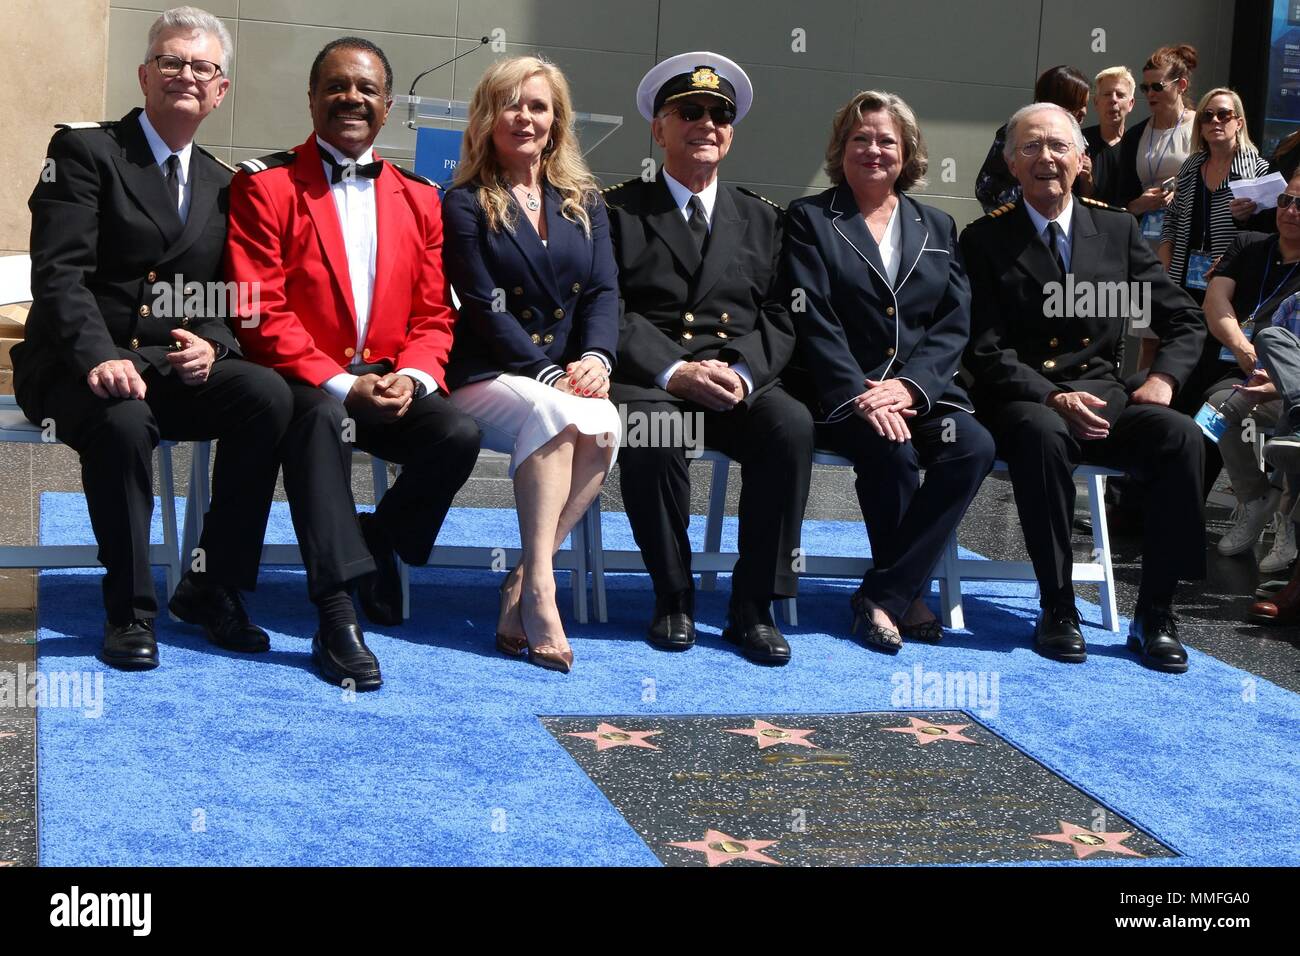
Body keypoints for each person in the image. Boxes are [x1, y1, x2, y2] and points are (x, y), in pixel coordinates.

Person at [12, 7, 292, 671]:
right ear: (145, 75)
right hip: (72, 365)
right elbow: (59, 276)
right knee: (124, 419)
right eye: (171, 62)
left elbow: (227, 292)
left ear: (220, 90)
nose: (185, 75)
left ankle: (210, 585)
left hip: (166, 365)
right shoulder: (86, 154)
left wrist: (214, 344)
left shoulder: (226, 183)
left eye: (203, 66)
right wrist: (99, 356)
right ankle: (129, 612)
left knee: (268, 396)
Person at [226, 37, 482, 690]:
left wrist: (415, 377)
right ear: (312, 98)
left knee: (456, 433)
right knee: (319, 423)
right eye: (337, 86)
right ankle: (337, 613)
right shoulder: (265, 185)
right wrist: (344, 384)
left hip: (389, 378)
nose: (352, 98)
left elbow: (435, 314)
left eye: (367, 89)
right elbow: (260, 312)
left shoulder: (421, 197)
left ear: (388, 106)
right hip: (305, 384)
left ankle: (380, 541)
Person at [961, 103, 1207, 673]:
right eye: (1030, 147)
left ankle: (1156, 614)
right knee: (1044, 435)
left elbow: (1182, 318)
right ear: (1010, 163)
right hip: (1026, 403)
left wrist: (1165, 379)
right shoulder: (986, 239)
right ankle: (1058, 605)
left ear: (1082, 160)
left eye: (1058, 146)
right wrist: (1051, 395)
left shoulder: (1116, 229)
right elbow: (983, 347)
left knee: (1182, 438)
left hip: (1108, 402)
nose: (1046, 158)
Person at [604, 52, 815, 665]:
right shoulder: (618, 210)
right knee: (655, 428)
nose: (706, 124)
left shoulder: (764, 218)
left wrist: (744, 371)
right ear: (658, 128)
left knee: (790, 425)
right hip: (657, 376)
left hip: (735, 379)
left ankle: (754, 604)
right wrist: (675, 369)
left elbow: (782, 312)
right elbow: (608, 307)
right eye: (688, 111)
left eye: (719, 115)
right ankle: (673, 594)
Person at [781, 90, 995, 653]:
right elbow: (812, 314)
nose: (873, 149)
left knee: (971, 446)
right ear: (840, 149)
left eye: (886, 140)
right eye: (860, 139)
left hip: (918, 393)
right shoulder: (809, 219)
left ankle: (885, 592)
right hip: (839, 395)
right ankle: (905, 596)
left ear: (907, 153)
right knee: (892, 453)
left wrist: (910, 387)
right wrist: (861, 393)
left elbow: (954, 320)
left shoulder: (939, 226)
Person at [441, 57, 620, 674]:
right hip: (485, 372)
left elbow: (602, 291)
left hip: (561, 374)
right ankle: (543, 593)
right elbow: (483, 306)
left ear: (556, 121)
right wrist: (546, 371)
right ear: (488, 117)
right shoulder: (464, 202)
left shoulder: (584, 201)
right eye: (510, 104)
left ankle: (523, 578)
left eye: (538, 106)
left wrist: (596, 357)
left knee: (603, 423)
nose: (525, 117)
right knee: (557, 410)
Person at [1199, 171, 1300, 560]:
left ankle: (1281, 514)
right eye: (1284, 201)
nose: (1290, 210)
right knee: (1218, 406)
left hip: (1289, 385)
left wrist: (1276, 384)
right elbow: (1215, 301)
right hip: (1240, 365)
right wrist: (1244, 348)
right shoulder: (1248, 243)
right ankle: (1255, 499)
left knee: (1235, 405)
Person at [975, 66, 1091, 213]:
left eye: (1058, 145)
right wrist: (1025, 215)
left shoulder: (1080, 139)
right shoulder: (1018, 133)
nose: (1084, 111)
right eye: (1079, 104)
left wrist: (1087, 179)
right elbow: (985, 187)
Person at [1114, 45, 1199, 232]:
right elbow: (1123, 197)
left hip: (1187, 230)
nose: (1150, 93)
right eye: (1145, 87)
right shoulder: (1135, 136)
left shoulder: (1201, 128)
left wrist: (1181, 193)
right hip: (1146, 233)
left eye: (1158, 86)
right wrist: (1139, 204)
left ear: (1181, 85)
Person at [1080, 67, 1136, 206]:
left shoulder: (1138, 145)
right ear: (1096, 102)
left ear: (1131, 104)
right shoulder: (1079, 141)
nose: (1113, 100)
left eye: (1120, 95)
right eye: (1107, 94)